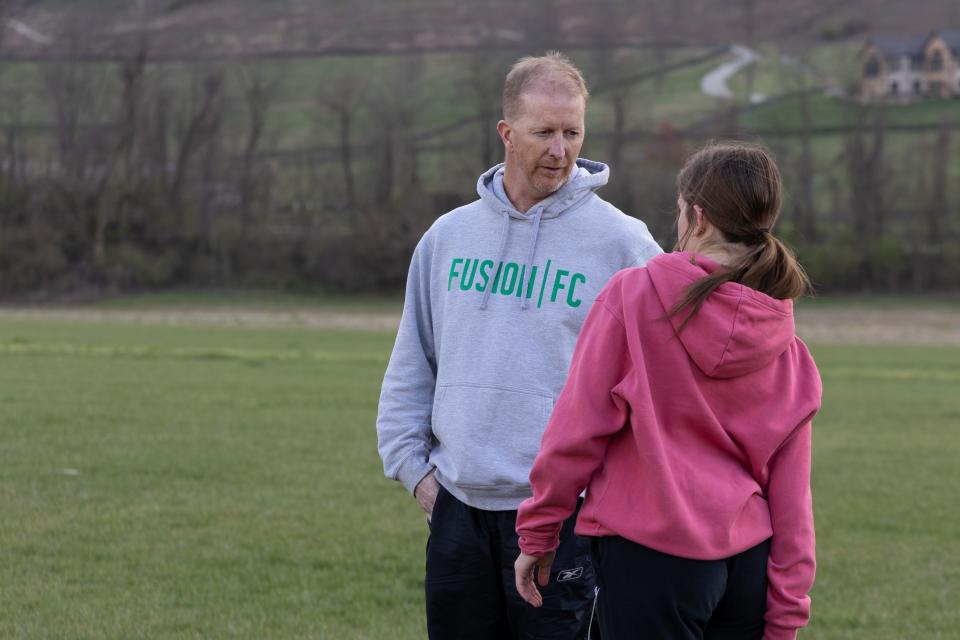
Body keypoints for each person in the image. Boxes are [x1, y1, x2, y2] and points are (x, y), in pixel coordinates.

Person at [376, 51, 662, 639]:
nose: (560, 150)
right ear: (507, 133)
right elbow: (413, 363)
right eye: (544, 133)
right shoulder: (448, 238)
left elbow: (662, 381)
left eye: (572, 132)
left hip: (564, 517)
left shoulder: (623, 245)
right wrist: (419, 478)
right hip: (456, 512)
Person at [514, 141, 822, 640]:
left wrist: (539, 531)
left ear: (697, 217)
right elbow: (792, 500)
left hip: (648, 561)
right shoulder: (786, 344)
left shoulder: (633, 298)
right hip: (748, 567)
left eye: (680, 212)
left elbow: (576, 430)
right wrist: (786, 614)